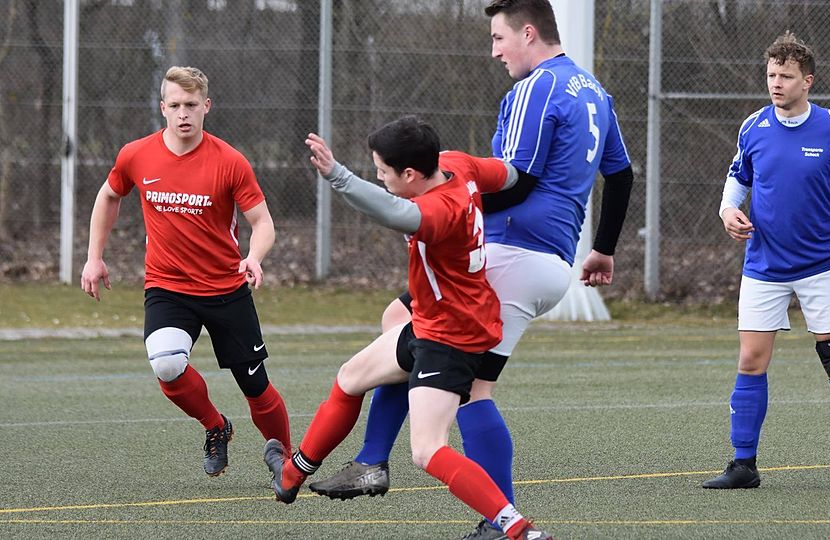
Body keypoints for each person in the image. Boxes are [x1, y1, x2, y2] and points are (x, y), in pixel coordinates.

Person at [308, 1, 634, 537]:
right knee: (401, 323)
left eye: (499, 38)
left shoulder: (536, 87)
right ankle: (374, 460)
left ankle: (494, 518)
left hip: (514, 251)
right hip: (550, 258)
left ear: (528, 33)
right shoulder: (593, 89)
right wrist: (602, 248)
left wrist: (446, 208)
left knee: (468, 386)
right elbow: (621, 176)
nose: (495, 51)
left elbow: (519, 181)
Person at [262, 116, 551, 540]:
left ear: (411, 174)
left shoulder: (439, 209)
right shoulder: (456, 164)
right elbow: (509, 175)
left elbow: (390, 210)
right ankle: (293, 476)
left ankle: (518, 530)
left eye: (382, 171)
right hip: (433, 320)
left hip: (451, 337)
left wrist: (337, 175)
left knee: (427, 450)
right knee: (350, 377)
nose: (379, 177)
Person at [80, 66, 291, 477]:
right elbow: (108, 196)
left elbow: (263, 222)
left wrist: (254, 256)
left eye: (191, 104)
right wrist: (94, 256)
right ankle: (216, 425)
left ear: (206, 106)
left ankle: (286, 461)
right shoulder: (136, 154)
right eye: (175, 105)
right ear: (162, 108)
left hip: (226, 288)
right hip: (168, 287)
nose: (183, 113)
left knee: (255, 385)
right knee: (166, 364)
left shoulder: (230, 161)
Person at [701, 32, 830, 492]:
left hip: (823, 265)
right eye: (771, 75)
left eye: (786, 76)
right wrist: (727, 211)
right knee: (750, 360)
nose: (776, 83)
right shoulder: (753, 127)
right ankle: (743, 465)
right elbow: (737, 178)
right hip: (763, 266)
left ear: (807, 81)